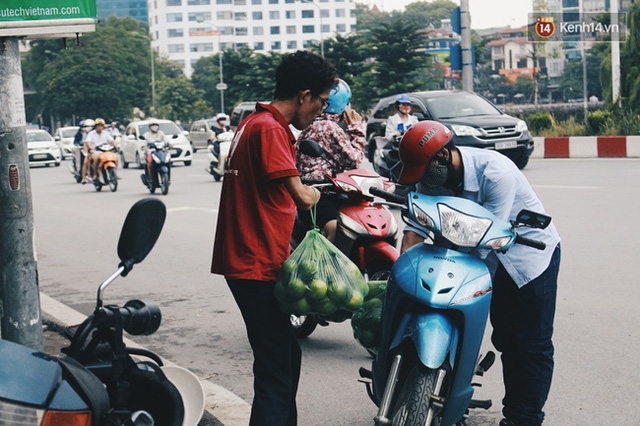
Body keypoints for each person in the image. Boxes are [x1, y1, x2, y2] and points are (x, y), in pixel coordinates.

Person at [396, 121, 561, 426]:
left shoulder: (496, 173)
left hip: (526, 260)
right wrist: (401, 273)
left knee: (528, 344)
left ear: (443, 157)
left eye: (422, 169)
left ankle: (523, 419)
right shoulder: (430, 178)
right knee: (503, 339)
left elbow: (481, 240)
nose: (420, 180)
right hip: (476, 261)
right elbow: (415, 228)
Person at [211, 50, 336, 426]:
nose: (320, 111)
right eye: (321, 103)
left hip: (249, 258)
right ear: (304, 95)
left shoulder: (253, 122)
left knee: (283, 359)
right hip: (255, 261)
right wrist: (324, 192)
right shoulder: (269, 128)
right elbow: (301, 195)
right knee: (275, 369)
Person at [296, 79, 365, 242]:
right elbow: (354, 161)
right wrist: (357, 127)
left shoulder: (313, 123)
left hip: (314, 192)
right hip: (323, 195)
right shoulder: (329, 127)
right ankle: (333, 266)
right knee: (339, 230)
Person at [82, 118, 114, 183]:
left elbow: (111, 140)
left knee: (114, 157)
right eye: (98, 126)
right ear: (96, 126)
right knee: (93, 160)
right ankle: (94, 175)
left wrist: (116, 145)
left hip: (105, 151)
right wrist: (91, 147)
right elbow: (87, 142)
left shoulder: (106, 133)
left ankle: (114, 173)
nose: (100, 127)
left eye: (101, 126)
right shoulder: (91, 133)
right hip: (95, 152)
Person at [141, 118, 169, 185]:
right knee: (150, 163)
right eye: (153, 125)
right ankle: (150, 178)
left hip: (160, 151)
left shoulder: (161, 133)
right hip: (150, 152)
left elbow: (166, 140)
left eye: (156, 125)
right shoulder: (147, 134)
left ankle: (168, 179)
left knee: (167, 161)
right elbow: (143, 142)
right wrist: (144, 146)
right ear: (149, 127)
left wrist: (169, 144)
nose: (154, 127)